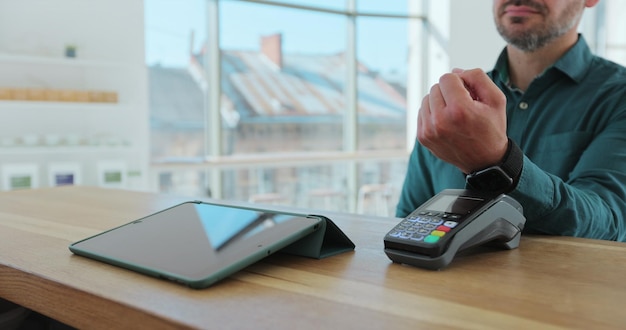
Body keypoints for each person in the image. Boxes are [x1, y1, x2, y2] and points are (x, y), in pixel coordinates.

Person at [396, 0, 626, 241]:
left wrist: (499, 164)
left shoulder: (618, 97)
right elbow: (406, 225)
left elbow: (610, 227)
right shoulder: (452, 109)